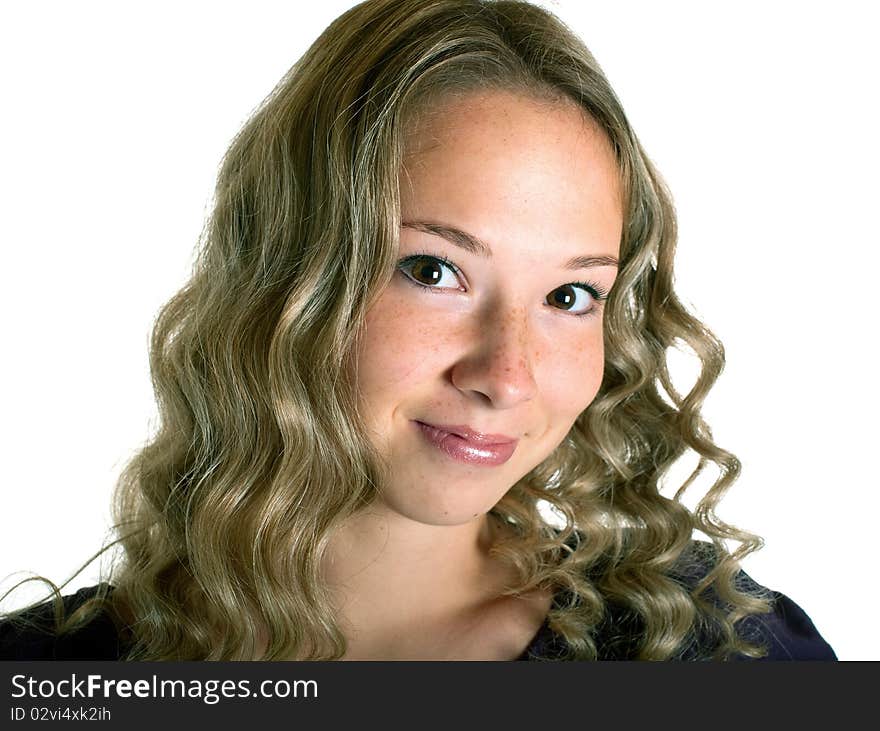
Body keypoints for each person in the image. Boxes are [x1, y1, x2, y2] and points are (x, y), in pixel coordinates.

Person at [0, 0, 835, 661]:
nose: (507, 376)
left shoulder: (726, 653)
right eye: (434, 271)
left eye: (572, 294)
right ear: (288, 273)